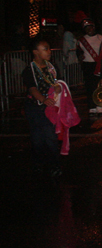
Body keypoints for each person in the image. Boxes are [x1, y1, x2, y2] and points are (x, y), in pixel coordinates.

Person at [22, 38, 63, 178]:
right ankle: (38, 163)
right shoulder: (30, 70)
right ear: (35, 52)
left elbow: (57, 83)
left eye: (49, 48)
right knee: (37, 138)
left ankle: (54, 165)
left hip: (48, 108)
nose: (49, 51)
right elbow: (32, 89)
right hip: (34, 107)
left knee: (50, 137)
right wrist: (43, 99)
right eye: (45, 48)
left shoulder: (52, 68)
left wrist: (58, 88)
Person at [75, 14, 102, 115]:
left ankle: (99, 105)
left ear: (94, 27)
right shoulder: (81, 40)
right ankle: (91, 107)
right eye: (86, 28)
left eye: (90, 27)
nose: (89, 29)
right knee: (89, 87)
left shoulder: (101, 38)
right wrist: (80, 56)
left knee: (99, 86)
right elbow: (78, 52)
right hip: (88, 65)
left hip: (98, 64)